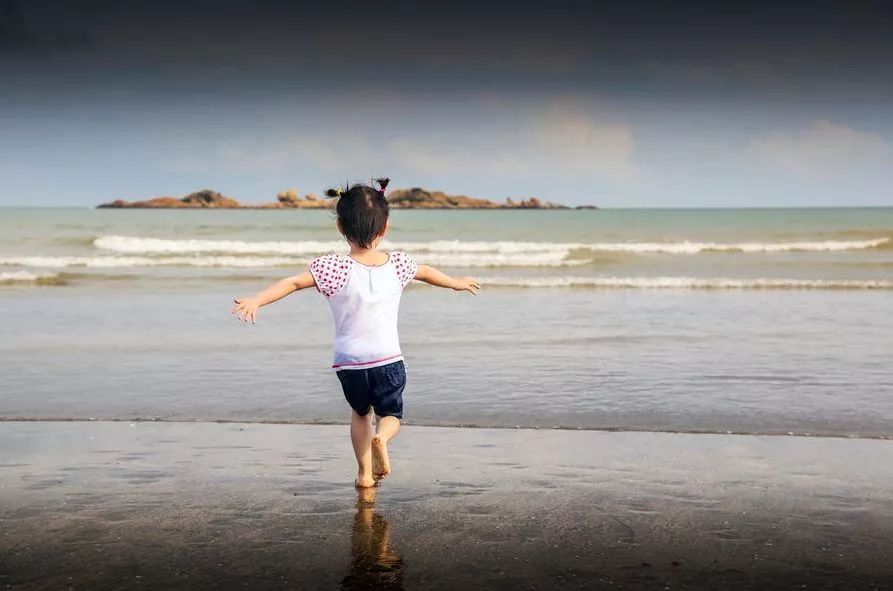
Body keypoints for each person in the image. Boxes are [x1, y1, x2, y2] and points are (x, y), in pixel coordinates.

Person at [232, 178, 480, 487]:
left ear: (340, 226)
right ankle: (382, 439)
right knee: (390, 416)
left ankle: (364, 475)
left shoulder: (332, 268)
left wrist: (257, 299)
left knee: (360, 413)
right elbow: (428, 272)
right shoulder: (399, 264)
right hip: (388, 359)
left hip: (349, 363)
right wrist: (456, 283)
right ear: (385, 228)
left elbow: (292, 283)